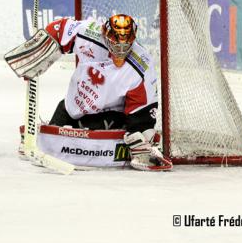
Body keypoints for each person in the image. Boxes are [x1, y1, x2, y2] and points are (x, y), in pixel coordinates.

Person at [42, 14, 171, 171]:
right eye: (116, 45)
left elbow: (142, 107)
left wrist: (141, 135)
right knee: (57, 122)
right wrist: (45, 46)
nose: (120, 51)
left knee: (110, 125)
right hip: (74, 104)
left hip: (110, 115)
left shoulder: (141, 64)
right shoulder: (89, 33)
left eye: (126, 46)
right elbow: (60, 29)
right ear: (104, 34)